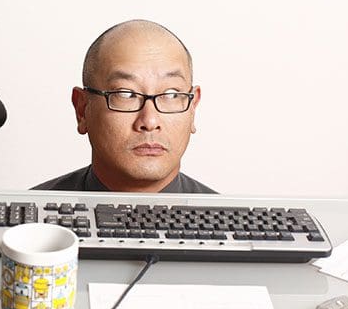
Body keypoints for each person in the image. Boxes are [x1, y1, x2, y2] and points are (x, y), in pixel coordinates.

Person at [33, 20, 215, 193]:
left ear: (193, 108)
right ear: (82, 109)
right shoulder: (27, 221)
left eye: (171, 94)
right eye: (126, 94)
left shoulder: (236, 223)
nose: (150, 121)